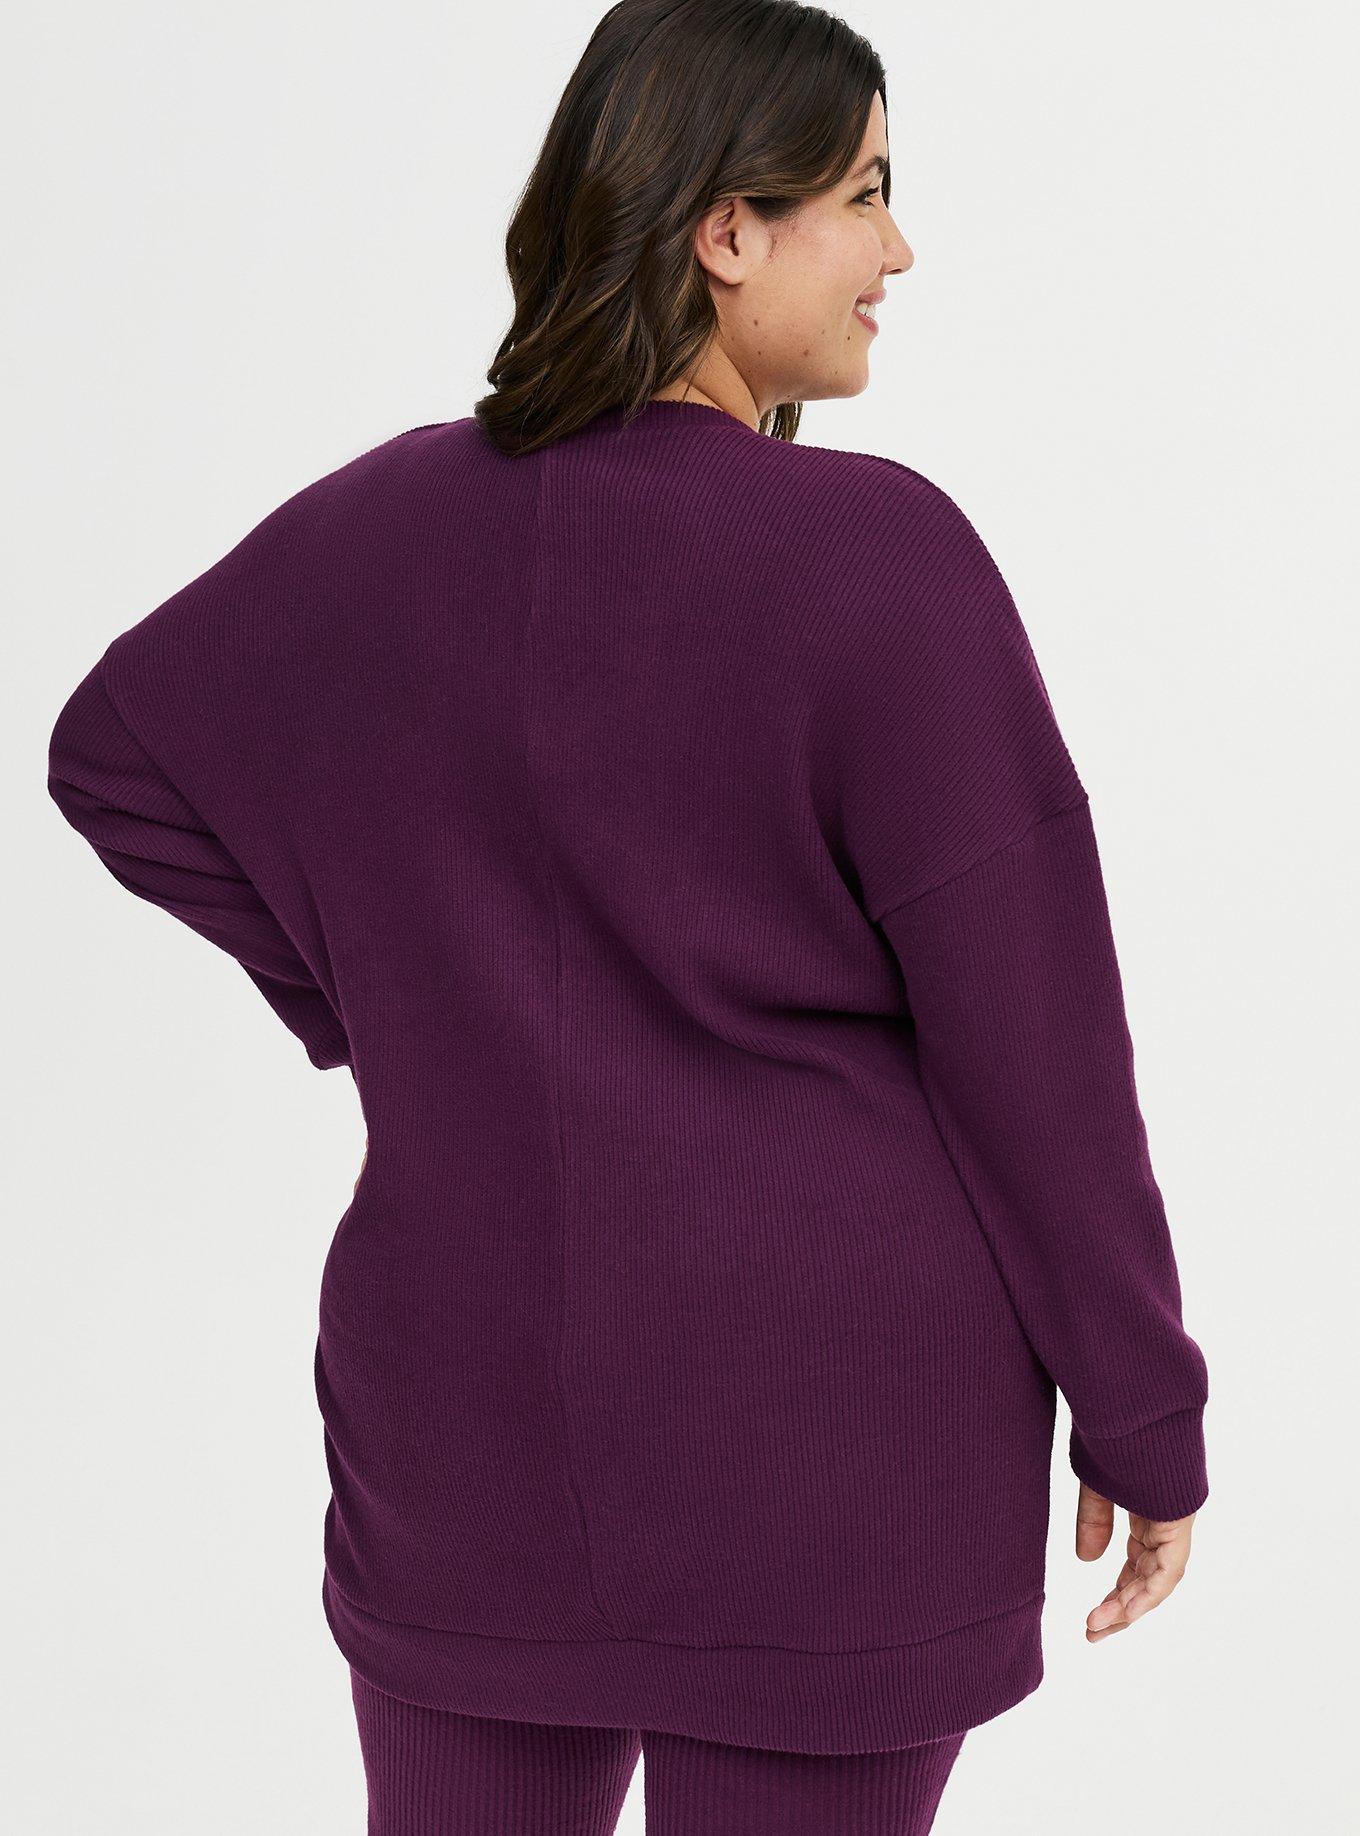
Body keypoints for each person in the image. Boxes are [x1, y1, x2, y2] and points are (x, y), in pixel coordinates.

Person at [45, 2, 1210, 1830]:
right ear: (726, 230)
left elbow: (119, 758)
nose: (900, 248)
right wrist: (1144, 1413)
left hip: (473, 1421)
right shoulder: (877, 561)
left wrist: (386, 991)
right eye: (864, 194)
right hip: (833, 1452)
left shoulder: (384, 529)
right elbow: (1036, 1049)